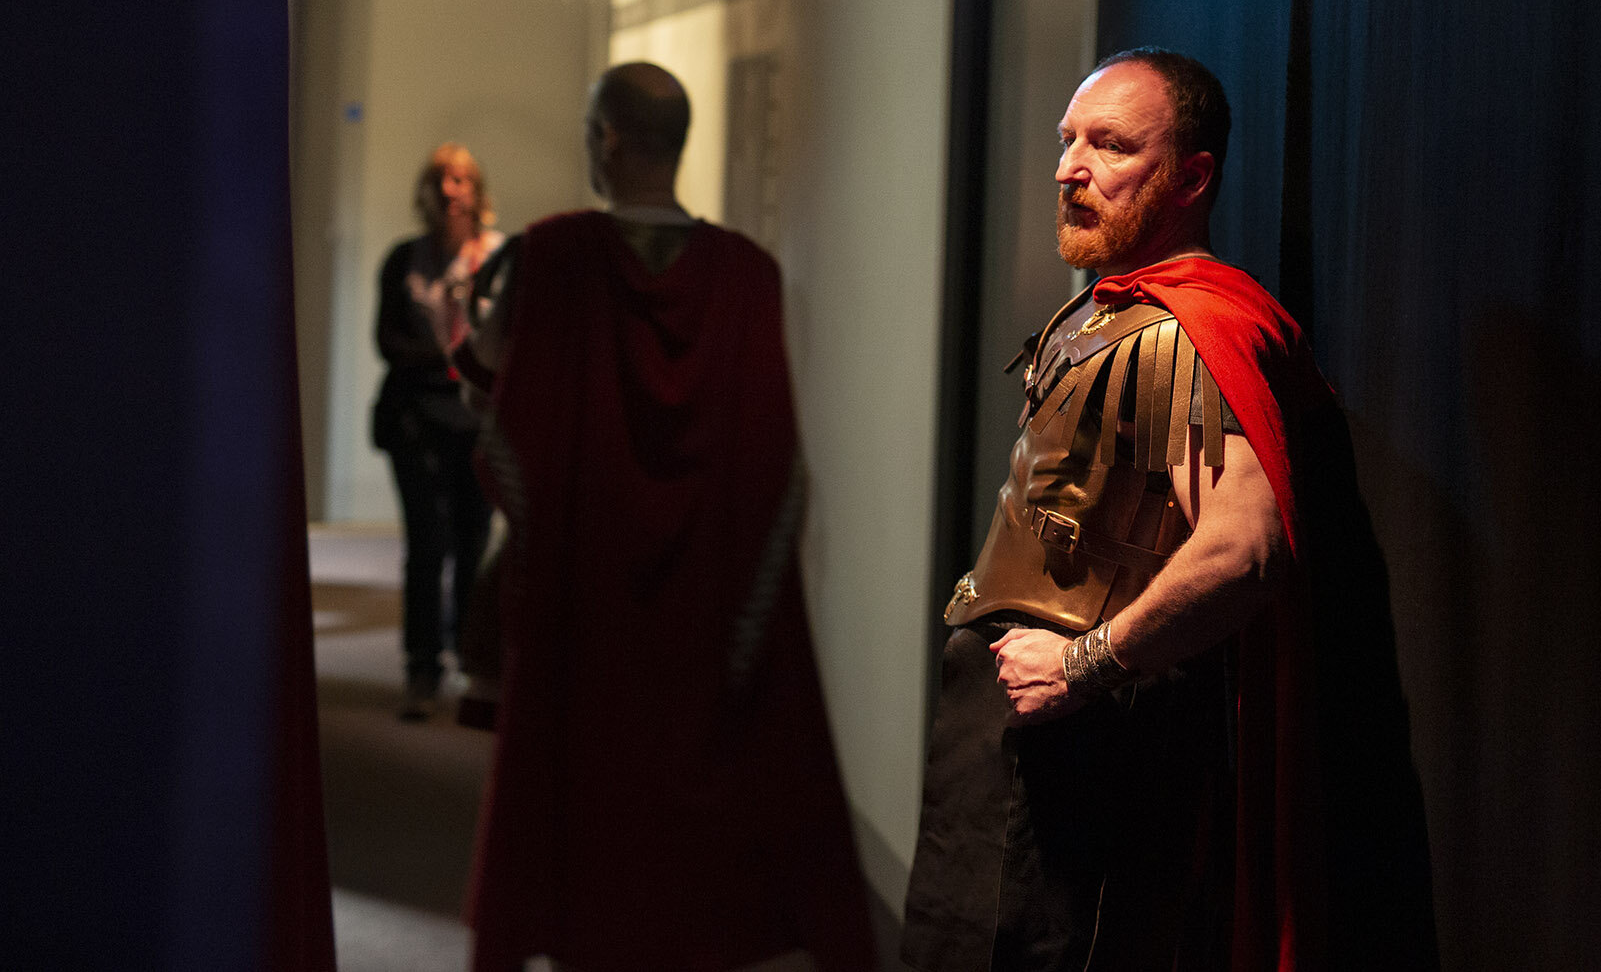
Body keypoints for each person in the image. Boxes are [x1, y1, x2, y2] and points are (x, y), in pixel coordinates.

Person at [900, 48, 1439, 971]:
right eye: (1068, 140)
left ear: (1191, 177)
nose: (1071, 168)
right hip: (1012, 748)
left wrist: (1084, 664)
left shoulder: (1190, 331)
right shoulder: (1110, 311)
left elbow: (1245, 552)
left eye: (1111, 147)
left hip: (1078, 760)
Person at [457, 62, 874, 972]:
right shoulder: (750, 275)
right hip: (707, 604)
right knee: (700, 796)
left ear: (606, 139)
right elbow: (775, 462)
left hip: (583, 596)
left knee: (582, 788)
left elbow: (495, 386)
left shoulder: (552, 255)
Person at [372, 143, 502, 721]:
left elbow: (508, 341)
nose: (451, 190)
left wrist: (457, 364)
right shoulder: (403, 259)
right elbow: (389, 343)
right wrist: (456, 360)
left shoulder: (499, 258)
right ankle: (421, 669)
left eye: (461, 179)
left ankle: (468, 660)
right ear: (426, 192)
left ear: (477, 191)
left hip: (478, 421)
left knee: (473, 544)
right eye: (440, 180)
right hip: (415, 422)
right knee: (426, 545)